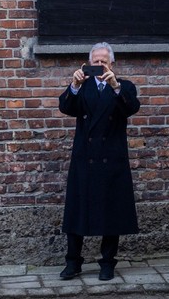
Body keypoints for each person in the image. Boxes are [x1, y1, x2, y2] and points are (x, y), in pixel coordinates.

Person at [58, 42, 140, 282]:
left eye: (104, 61)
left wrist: (115, 86)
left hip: (111, 158)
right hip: (85, 158)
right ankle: (73, 262)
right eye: (96, 62)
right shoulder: (82, 87)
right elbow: (65, 107)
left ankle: (107, 263)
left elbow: (132, 108)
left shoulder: (124, 86)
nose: (100, 65)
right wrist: (74, 85)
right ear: (89, 64)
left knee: (111, 212)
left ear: (112, 63)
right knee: (77, 211)